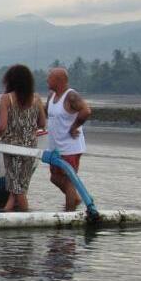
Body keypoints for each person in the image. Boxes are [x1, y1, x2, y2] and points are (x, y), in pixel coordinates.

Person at [0, 64, 47, 212]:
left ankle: (27, 218)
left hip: (12, 146)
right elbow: (42, 123)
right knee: (20, 184)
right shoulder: (36, 99)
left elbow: (2, 126)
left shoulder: (7, 99)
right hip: (30, 147)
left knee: (17, 187)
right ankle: (7, 211)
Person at [46, 67, 91, 210]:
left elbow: (86, 110)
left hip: (70, 147)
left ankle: (70, 213)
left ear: (59, 80)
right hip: (55, 147)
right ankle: (76, 199)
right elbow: (47, 114)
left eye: (50, 78)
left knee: (69, 180)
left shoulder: (71, 96)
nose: (47, 80)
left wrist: (74, 127)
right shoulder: (51, 96)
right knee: (55, 178)